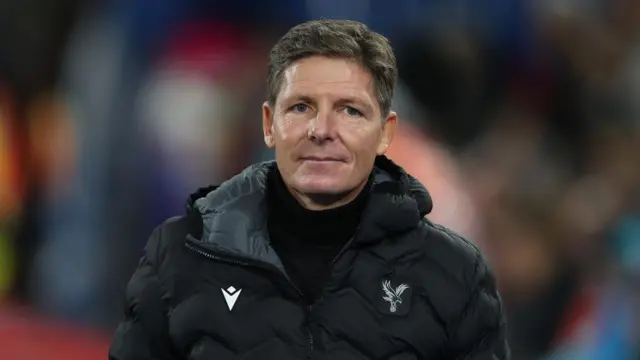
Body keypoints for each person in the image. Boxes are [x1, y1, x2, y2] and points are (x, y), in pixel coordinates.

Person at [109, 19, 509, 360]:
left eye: (350, 110)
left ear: (385, 132)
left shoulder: (454, 269)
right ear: (269, 124)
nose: (322, 131)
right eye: (301, 107)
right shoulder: (181, 256)